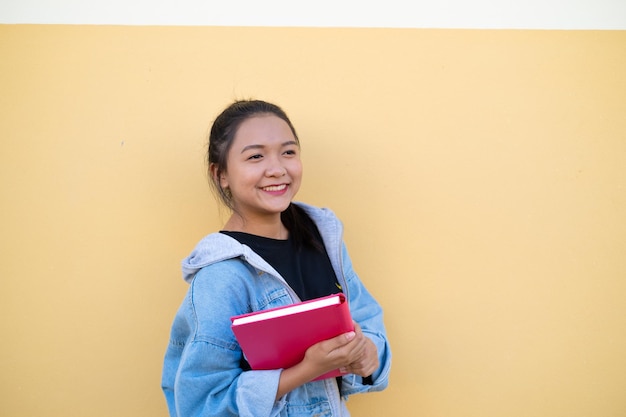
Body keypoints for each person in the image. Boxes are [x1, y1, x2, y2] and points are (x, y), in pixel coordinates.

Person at [161, 99, 391, 416]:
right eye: (256, 156)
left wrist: (367, 355)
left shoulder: (323, 236)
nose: (277, 169)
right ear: (221, 174)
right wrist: (306, 369)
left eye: (288, 152)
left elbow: (366, 320)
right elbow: (201, 405)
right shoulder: (220, 277)